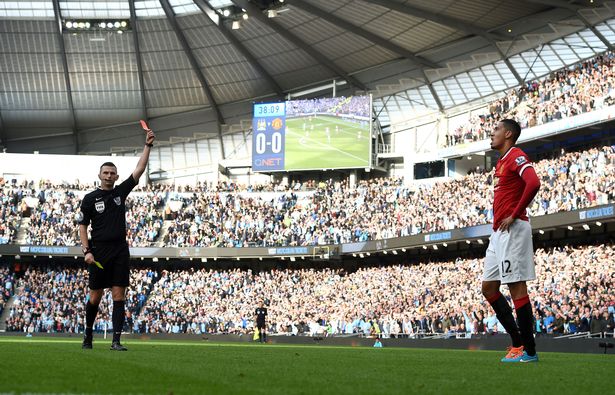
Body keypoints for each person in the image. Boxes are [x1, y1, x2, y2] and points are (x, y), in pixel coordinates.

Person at [78, 125, 155, 351]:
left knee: (119, 295)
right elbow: (82, 226)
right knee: (95, 296)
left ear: (117, 176)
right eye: (106, 173)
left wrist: (148, 145)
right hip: (98, 250)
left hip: (120, 249)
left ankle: (116, 341)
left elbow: (139, 169)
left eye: (112, 173)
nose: (109, 176)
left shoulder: (120, 192)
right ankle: (88, 335)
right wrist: (86, 251)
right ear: (100, 176)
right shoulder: (90, 199)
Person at [481, 119, 541, 363]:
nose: (492, 133)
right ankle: (517, 342)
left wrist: (515, 213)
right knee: (489, 288)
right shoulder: (501, 161)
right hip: (498, 233)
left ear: (507, 134)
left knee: (516, 288)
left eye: (496, 129)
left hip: (513, 229)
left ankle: (529, 351)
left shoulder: (516, 155)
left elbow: (534, 182)